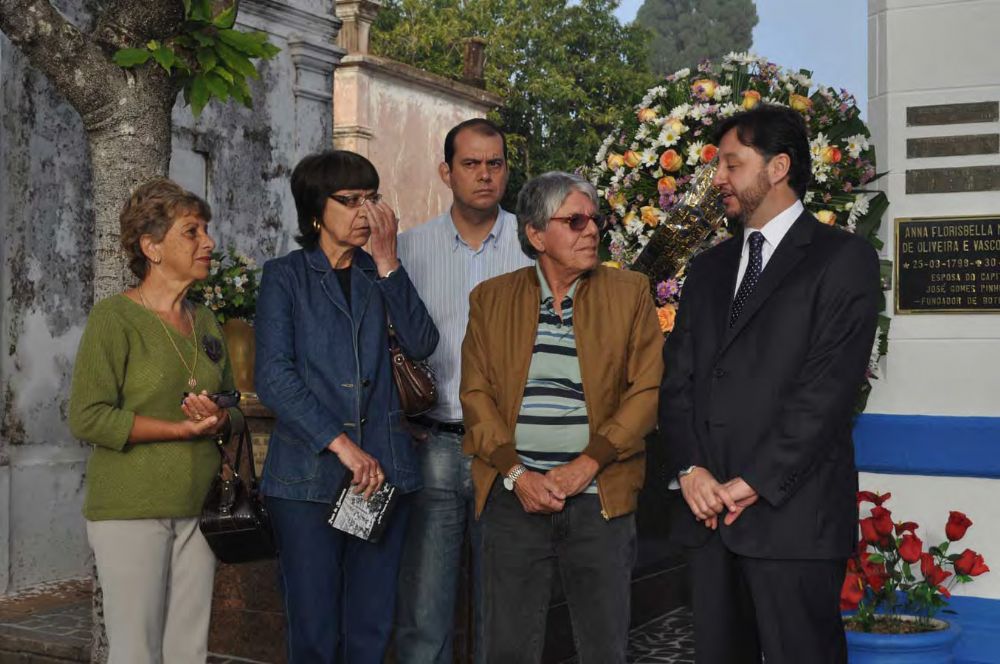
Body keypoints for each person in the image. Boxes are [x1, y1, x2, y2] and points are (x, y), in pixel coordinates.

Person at [659, 105, 881, 663]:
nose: (718, 180)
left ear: (778, 166)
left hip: (793, 523)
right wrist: (691, 470)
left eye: (732, 164)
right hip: (709, 521)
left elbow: (826, 394)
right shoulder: (707, 268)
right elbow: (677, 380)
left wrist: (752, 481)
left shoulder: (843, 259)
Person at [460, 171, 663, 663]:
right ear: (536, 235)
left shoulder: (630, 292)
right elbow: (476, 396)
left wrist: (585, 466)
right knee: (507, 647)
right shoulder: (491, 298)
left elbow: (647, 393)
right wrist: (517, 474)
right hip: (513, 501)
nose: (590, 230)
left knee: (602, 647)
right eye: (574, 221)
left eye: (594, 220)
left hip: (600, 501)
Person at [254, 149, 439, 663]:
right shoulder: (285, 276)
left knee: (370, 623)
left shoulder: (380, 273)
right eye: (350, 199)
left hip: (381, 474)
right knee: (313, 627)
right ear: (316, 209)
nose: (365, 211)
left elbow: (422, 343)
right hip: (306, 479)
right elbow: (273, 375)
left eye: (372, 198)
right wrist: (342, 447)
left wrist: (387, 264)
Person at [68, 178, 242, 664]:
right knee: (136, 652)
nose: (208, 242)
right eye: (192, 232)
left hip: (201, 508)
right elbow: (87, 416)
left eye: (206, 229)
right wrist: (178, 430)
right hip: (131, 509)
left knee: (189, 650)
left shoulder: (205, 321)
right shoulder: (114, 319)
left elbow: (231, 407)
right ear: (152, 247)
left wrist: (219, 417)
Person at [394, 118, 532, 663]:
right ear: (446, 171)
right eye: (471, 164)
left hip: (511, 450)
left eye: (494, 164)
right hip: (433, 445)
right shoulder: (408, 249)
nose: (484, 175)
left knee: (505, 606)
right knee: (424, 610)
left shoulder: (534, 246)